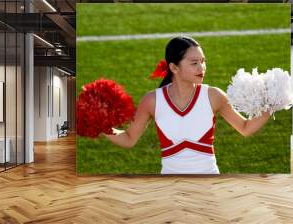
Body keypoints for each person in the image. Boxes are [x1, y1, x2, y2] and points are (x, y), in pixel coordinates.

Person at [103, 36, 271, 174]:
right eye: (194, 63)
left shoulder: (213, 96)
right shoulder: (152, 100)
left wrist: (271, 104)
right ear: (174, 68)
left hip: (209, 182)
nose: (202, 67)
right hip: (169, 185)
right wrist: (100, 124)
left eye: (203, 61)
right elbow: (129, 139)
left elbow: (245, 127)